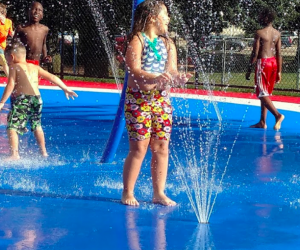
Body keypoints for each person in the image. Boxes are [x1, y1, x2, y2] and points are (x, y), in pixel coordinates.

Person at [121, 0, 192, 206]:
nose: (168, 19)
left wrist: (177, 78)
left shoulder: (168, 44)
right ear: (152, 17)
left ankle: (159, 192)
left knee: (162, 147)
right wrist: (154, 77)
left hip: (161, 100)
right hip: (138, 100)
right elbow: (133, 70)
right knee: (139, 148)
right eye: (165, 14)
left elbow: (171, 70)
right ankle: (128, 192)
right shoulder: (138, 41)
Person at [0, 42, 78, 160]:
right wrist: (65, 88)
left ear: (11, 57)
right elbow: (52, 77)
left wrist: (2, 102)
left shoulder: (13, 67)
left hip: (23, 98)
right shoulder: (35, 67)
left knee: (12, 126)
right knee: (37, 125)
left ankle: (14, 154)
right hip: (37, 99)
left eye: (7, 59)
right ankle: (44, 152)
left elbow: (10, 84)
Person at [245, 7, 284, 130]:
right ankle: (262, 122)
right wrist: (279, 71)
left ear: (266, 18)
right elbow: (279, 53)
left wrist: (249, 69)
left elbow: (255, 53)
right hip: (273, 63)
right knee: (265, 92)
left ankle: (278, 115)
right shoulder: (277, 33)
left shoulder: (259, 33)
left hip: (263, 63)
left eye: (261, 16)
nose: (259, 18)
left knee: (261, 93)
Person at [13, 1, 51, 65]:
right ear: (28, 12)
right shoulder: (21, 28)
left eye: (39, 10)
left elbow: (43, 44)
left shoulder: (44, 29)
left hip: (36, 63)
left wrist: (45, 57)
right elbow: (13, 44)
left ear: (42, 15)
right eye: (34, 9)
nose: (36, 12)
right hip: (23, 62)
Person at [0, 3, 13, 76]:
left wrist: (13, 34)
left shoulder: (9, 22)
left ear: (3, 14)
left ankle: (10, 79)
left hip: (3, 46)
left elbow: (10, 33)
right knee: (4, 61)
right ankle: (10, 79)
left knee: (4, 62)